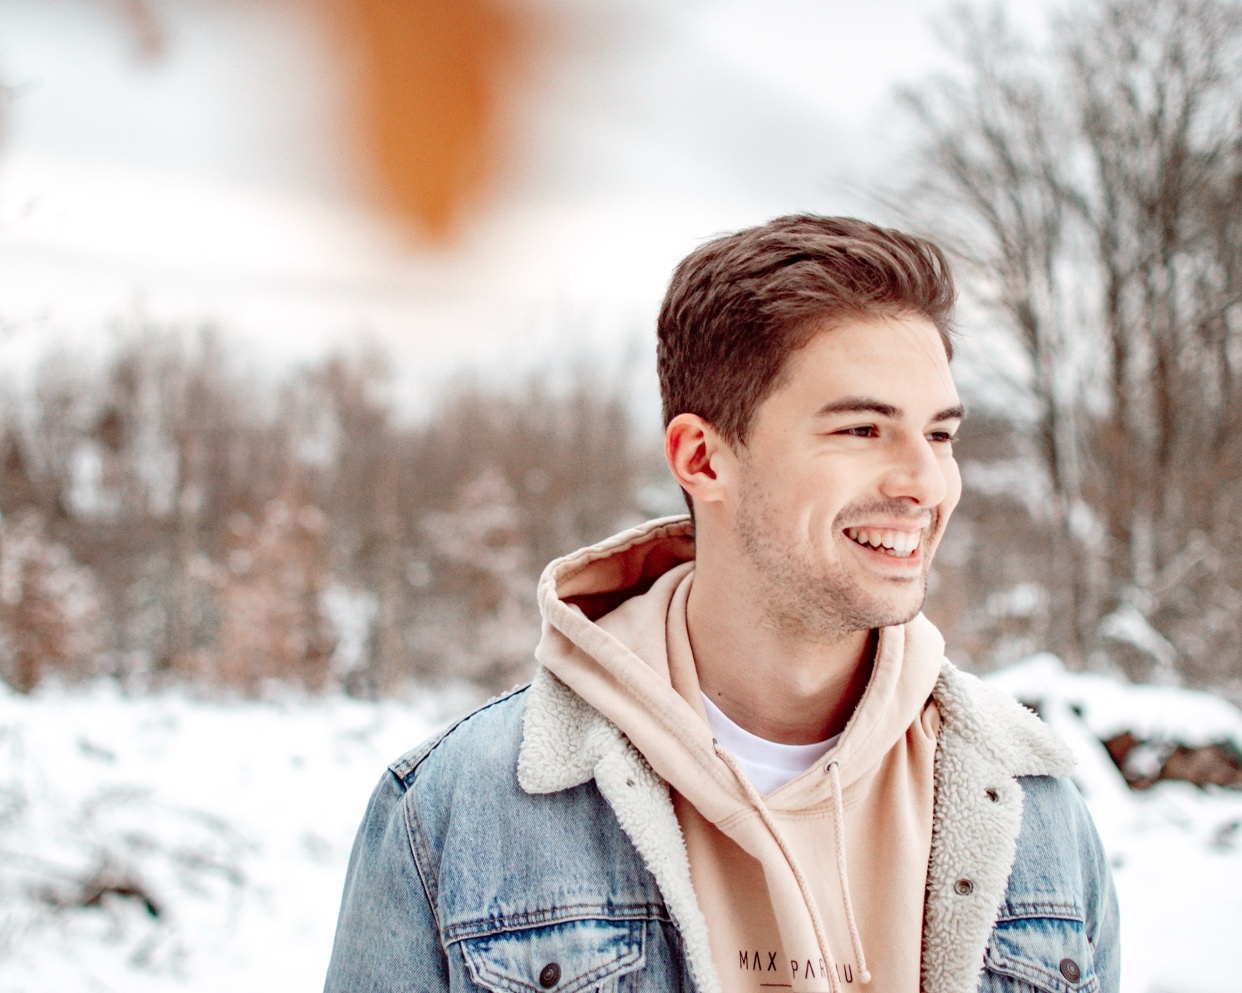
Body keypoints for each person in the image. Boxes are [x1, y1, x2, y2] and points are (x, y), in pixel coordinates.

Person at [324, 215, 1119, 993]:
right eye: (862, 429)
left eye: (940, 435)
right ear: (703, 457)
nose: (923, 481)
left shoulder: (1033, 810)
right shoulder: (458, 813)